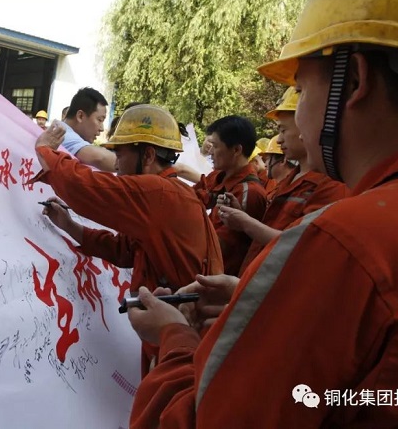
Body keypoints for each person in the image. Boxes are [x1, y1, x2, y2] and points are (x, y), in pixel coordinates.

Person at [126, 0, 398, 427]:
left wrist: (173, 336)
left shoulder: (346, 243)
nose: (296, 125)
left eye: (302, 89)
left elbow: (208, 420)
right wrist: (269, 309)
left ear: (354, 82)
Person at [33, 104, 223, 377]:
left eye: (120, 155)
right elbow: (126, 250)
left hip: (181, 336)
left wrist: (45, 150)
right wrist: (70, 225)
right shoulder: (170, 194)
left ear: (148, 155)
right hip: (179, 330)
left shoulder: (158, 192)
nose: (116, 166)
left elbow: (84, 187)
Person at [219, 86, 348, 275]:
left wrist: (246, 223)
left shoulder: (330, 185)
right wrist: (242, 218)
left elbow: (304, 249)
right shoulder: (291, 180)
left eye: (283, 130)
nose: (278, 140)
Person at [193, 115, 267, 277]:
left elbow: (222, 246)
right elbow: (193, 198)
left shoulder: (249, 193)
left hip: (221, 279)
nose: (210, 152)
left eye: (215, 146)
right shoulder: (217, 176)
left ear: (236, 150)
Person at [60, 87, 117, 171]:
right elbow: (100, 158)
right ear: (80, 116)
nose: (102, 128)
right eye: (100, 120)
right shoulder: (62, 135)